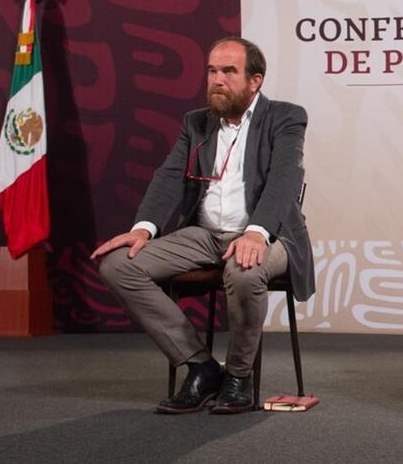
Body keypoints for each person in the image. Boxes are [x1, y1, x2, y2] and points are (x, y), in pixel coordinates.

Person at [92, 37, 313, 415]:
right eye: (212, 71)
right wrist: (144, 228)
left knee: (244, 270)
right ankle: (200, 366)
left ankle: (239, 377)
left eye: (229, 71)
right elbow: (169, 176)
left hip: (269, 234)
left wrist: (256, 232)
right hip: (204, 234)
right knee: (118, 264)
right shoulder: (196, 123)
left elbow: (284, 179)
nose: (217, 80)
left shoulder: (285, 117)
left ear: (255, 80)